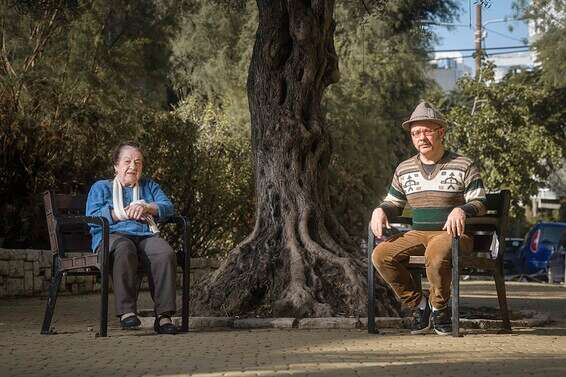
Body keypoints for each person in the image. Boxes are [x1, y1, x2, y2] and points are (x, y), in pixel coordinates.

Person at [370, 101, 487, 336]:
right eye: (415, 133)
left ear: (440, 133)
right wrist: (380, 209)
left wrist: (462, 209)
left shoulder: (464, 164)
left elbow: (480, 202)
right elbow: (394, 202)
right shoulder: (404, 169)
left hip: (454, 235)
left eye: (426, 131)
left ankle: (440, 309)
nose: (420, 137)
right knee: (381, 255)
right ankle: (421, 306)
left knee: (436, 251)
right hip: (418, 234)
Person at [86, 142, 177, 335]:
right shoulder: (101, 187)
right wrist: (122, 213)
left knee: (164, 252)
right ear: (116, 165)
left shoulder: (149, 186)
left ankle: (163, 316)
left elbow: (168, 207)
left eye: (138, 162)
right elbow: (92, 217)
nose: (133, 166)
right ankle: (127, 311)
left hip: (144, 235)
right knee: (124, 248)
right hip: (112, 236)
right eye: (127, 161)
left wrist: (147, 207)